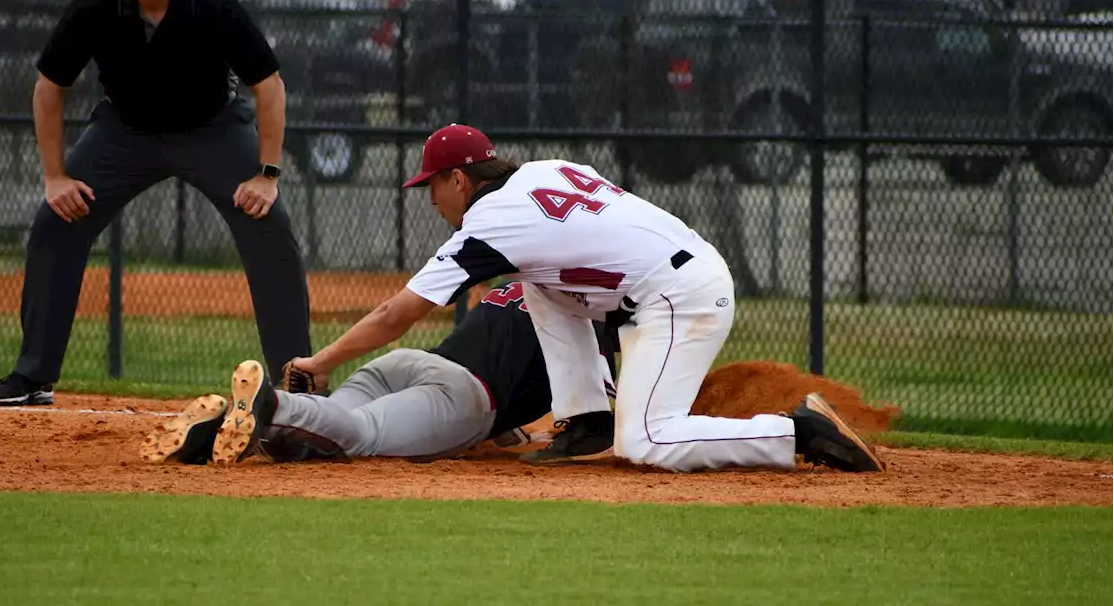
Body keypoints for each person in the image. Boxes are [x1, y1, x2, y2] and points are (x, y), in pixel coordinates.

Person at [272, 123, 884, 474]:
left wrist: (318, 364)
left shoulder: (490, 223)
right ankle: (586, 419)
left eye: (431, 186)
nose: (431, 200)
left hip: (677, 296)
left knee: (647, 443)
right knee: (542, 282)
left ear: (458, 180)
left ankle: (793, 432)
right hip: (671, 276)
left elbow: (396, 314)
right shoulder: (543, 170)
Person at [0, 0, 311, 406]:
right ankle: (33, 376)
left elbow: (270, 85)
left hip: (212, 128)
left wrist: (268, 174)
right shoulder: (96, 4)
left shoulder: (211, 1)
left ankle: (293, 384)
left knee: (270, 224)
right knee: (55, 220)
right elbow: (48, 86)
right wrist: (55, 177)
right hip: (125, 132)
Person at [139, 281, 618, 465]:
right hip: (461, 395)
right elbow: (595, 415)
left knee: (324, 433)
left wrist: (513, 434)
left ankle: (230, 429)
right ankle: (271, 403)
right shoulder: (590, 321)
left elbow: (513, 367)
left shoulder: (524, 284)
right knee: (361, 434)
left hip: (403, 364)